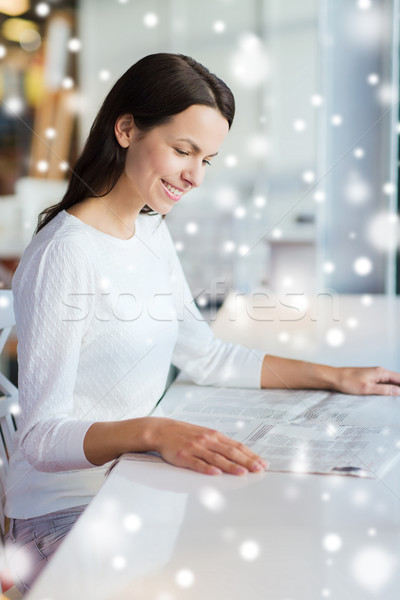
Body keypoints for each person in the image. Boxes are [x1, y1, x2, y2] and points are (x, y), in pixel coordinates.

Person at [4, 53, 400, 593]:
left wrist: (333, 376)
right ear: (126, 129)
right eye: (182, 150)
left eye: (207, 159)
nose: (194, 176)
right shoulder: (66, 253)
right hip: (66, 514)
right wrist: (155, 432)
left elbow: (207, 354)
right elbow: (42, 439)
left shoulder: (149, 228)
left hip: (133, 483)